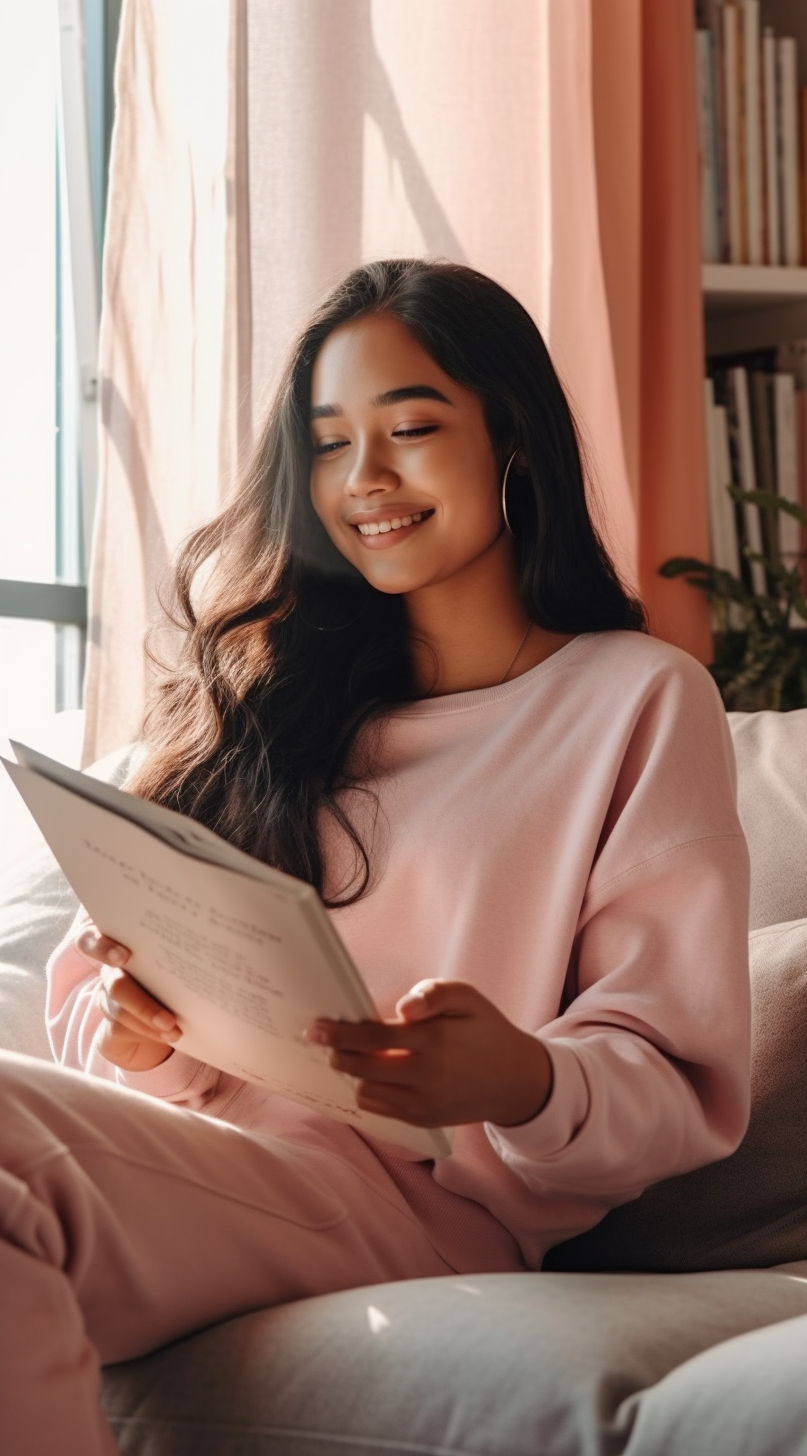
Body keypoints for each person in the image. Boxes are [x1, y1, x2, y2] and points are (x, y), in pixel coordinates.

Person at [0, 259, 751, 1456]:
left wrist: (519, 1079)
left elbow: (678, 1077)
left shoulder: (637, 701)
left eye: (410, 428)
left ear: (514, 437)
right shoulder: (261, 705)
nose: (367, 481)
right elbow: (118, 1018)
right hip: (217, 1163)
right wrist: (141, 1032)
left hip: (418, 1205)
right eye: (331, 444)